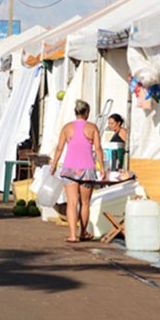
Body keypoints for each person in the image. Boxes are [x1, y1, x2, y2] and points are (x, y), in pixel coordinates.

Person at [50, 100, 105, 243]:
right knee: (85, 203)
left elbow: (59, 148)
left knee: (72, 203)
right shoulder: (92, 128)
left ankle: (72, 235)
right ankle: (83, 233)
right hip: (87, 168)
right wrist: (102, 167)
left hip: (69, 168)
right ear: (87, 112)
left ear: (76, 112)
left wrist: (54, 164)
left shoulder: (67, 128)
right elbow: (98, 149)